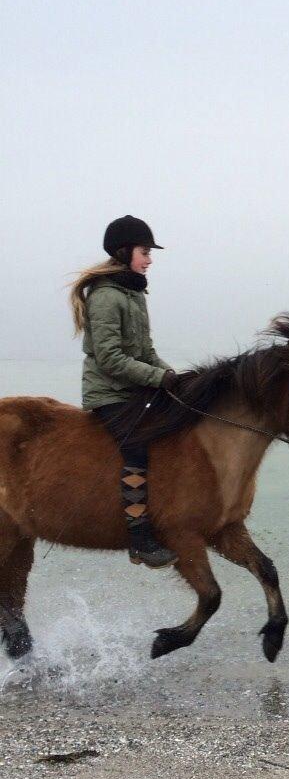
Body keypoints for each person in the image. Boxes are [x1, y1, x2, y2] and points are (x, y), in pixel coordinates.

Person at [68, 215, 180, 569]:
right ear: (124, 251)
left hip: (132, 388)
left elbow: (145, 351)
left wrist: (172, 377)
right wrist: (157, 379)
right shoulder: (105, 298)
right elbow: (111, 359)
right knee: (136, 446)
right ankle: (139, 537)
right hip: (109, 394)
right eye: (144, 252)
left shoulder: (134, 294)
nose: (149, 259)